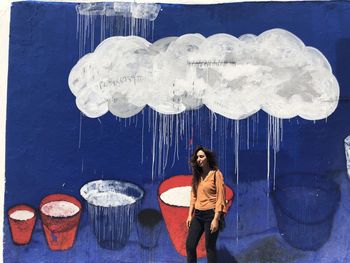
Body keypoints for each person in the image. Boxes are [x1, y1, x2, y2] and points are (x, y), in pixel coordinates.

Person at [186, 146, 227, 263]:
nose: (199, 159)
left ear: (207, 158)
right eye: (197, 157)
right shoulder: (197, 175)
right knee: (190, 245)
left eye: (201, 156)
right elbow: (193, 196)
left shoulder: (216, 174)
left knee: (209, 247)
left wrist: (216, 219)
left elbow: (220, 197)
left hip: (211, 215)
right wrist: (190, 215)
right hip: (198, 215)